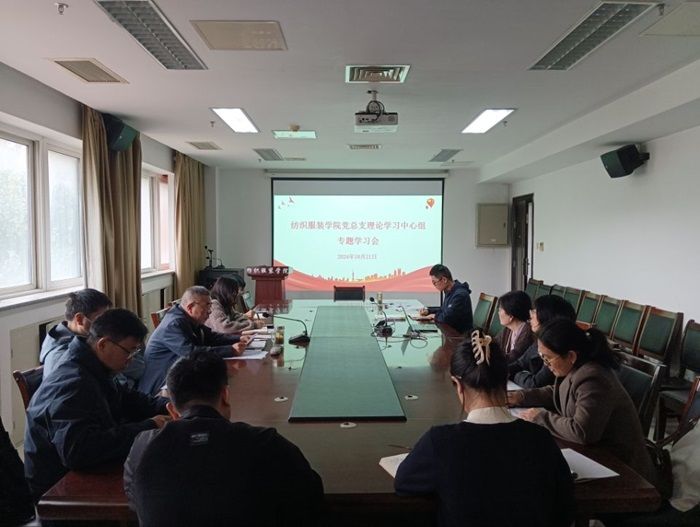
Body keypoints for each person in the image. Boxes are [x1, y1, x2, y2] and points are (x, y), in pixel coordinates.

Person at [395, 330, 575, 527]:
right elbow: (564, 507)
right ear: (505, 378)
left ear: (457, 384)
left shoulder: (440, 442)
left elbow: (403, 483)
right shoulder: (541, 439)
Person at [124, 351, 324, 527]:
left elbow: (136, 499)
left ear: (172, 410)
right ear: (225, 395)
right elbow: (311, 495)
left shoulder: (142, 446)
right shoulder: (266, 443)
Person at [24, 309, 169, 501]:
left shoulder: (96, 367)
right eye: (129, 351)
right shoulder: (72, 382)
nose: (131, 359)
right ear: (103, 344)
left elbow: (131, 400)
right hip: (59, 489)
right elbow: (79, 451)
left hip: (87, 469)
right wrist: (149, 426)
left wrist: (173, 405)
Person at [509, 318, 656, 485]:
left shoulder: (593, 377)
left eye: (548, 358)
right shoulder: (576, 367)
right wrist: (520, 397)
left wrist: (540, 417)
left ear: (571, 356)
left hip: (622, 470)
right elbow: (557, 392)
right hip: (595, 456)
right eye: (542, 357)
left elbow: (582, 431)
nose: (546, 364)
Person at [139, 286, 249, 396]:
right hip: (160, 389)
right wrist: (230, 350)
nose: (210, 311)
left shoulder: (188, 318)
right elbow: (191, 353)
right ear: (190, 307)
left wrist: (239, 338)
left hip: (182, 376)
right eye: (207, 306)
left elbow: (211, 337)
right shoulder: (173, 324)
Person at [40, 288, 112, 378]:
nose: (106, 324)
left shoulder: (86, 336)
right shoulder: (62, 357)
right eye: (100, 319)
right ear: (80, 319)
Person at [508, 294, 576, 388]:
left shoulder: (557, 347)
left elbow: (535, 384)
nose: (530, 316)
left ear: (546, 316)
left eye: (534, 312)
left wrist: (515, 375)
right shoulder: (540, 340)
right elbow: (519, 364)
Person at [419, 264, 473, 334]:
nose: (434, 285)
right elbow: (444, 309)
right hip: (451, 332)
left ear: (444, 280)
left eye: (434, 282)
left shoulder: (460, 295)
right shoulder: (450, 291)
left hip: (460, 336)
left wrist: (434, 316)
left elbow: (446, 319)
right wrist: (429, 311)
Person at [495, 290, 533, 361]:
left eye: (500, 310)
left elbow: (514, 357)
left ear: (511, 316)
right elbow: (494, 343)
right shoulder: (508, 329)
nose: (498, 313)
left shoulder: (527, 333)